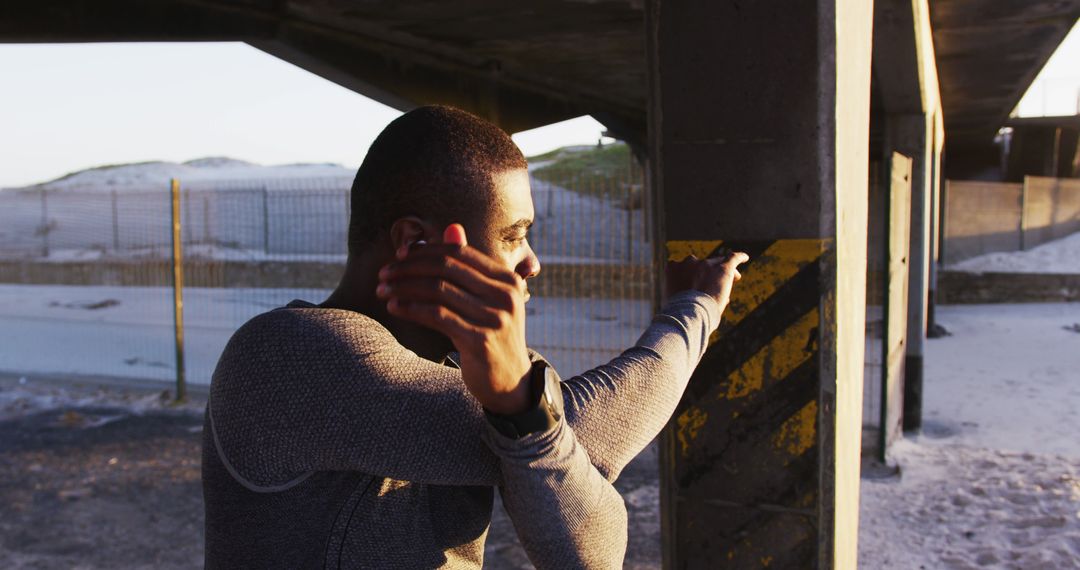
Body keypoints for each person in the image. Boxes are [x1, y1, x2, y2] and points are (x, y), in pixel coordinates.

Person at [201, 105, 747, 569]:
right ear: (416, 243)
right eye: (514, 236)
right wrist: (694, 310)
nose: (532, 263)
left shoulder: (471, 366)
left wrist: (524, 408)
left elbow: (588, 549)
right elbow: (581, 433)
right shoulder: (290, 356)